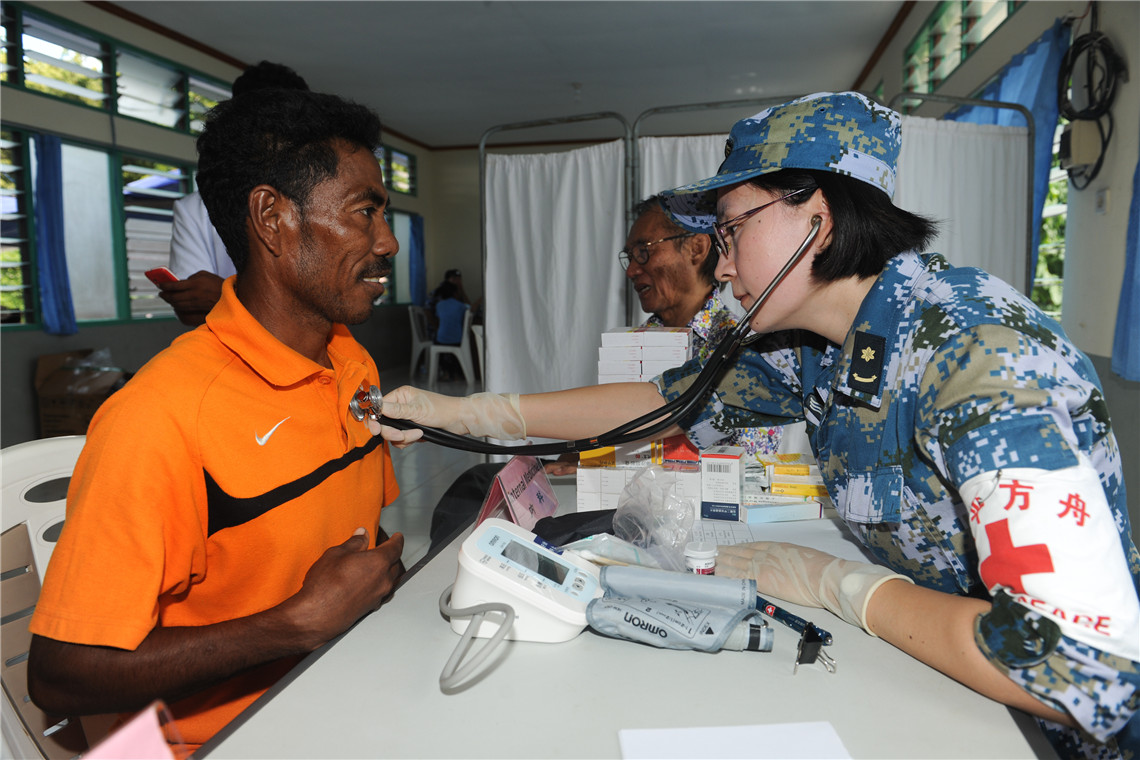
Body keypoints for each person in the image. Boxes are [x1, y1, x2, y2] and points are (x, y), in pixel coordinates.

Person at [377, 92, 1140, 756]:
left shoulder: (981, 357)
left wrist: (842, 587)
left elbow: (1080, 669)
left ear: (818, 220)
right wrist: (472, 411)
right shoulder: (815, 346)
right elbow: (664, 404)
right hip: (940, 684)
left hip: (1042, 736)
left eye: (733, 231)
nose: (721, 265)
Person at [27, 87, 404, 757]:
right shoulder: (161, 416)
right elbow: (60, 674)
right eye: (364, 211)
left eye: (384, 213)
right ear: (272, 219)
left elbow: (355, 537)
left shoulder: (352, 361)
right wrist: (290, 626)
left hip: (342, 696)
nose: (388, 241)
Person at [159, 61, 309, 326]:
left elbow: (325, 299)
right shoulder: (196, 208)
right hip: (233, 347)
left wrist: (226, 295)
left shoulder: (322, 196)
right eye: (257, 122)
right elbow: (192, 311)